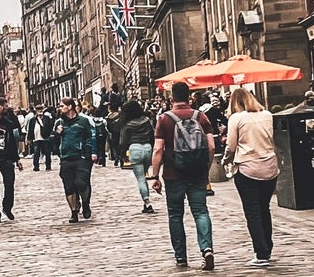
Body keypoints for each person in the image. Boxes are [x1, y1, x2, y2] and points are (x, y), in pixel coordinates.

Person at [150, 82, 214, 267]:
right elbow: (210, 146)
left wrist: (155, 176)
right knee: (201, 211)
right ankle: (207, 249)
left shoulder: (164, 119)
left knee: (175, 215)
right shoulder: (200, 116)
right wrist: (206, 168)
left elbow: (158, 149)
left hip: (173, 174)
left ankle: (181, 256)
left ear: (172, 99)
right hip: (197, 173)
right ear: (190, 98)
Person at [225, 86, 280, 266]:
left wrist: (226, 159)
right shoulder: (267, 115)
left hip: (248, 168)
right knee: (264, 209)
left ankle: (261, 253)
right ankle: (268, 248)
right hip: (270, 167)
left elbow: (231, 146)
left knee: (253, 212)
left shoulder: (236, 118)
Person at [55, 99, 94, 223]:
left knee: (82, 183)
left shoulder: (83, 121)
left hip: (80, 157)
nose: (60, 108)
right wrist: (56, 133)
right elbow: (52, 141)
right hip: (66, 157)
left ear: (70, 106)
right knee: (69, 187)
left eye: (62, 106)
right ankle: (74, 212)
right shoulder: (59, 122)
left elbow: (89, 137)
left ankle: (85, 204)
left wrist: (87, 154)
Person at [119, 99, 156, 213]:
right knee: (144, 175)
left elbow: (123, 141)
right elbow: (152, 135)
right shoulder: (146, 120)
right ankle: (146, 202)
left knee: (141, 179)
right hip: (147, 148)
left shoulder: (128, 124)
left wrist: (123, 155)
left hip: (135, 149)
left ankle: (147, 202)